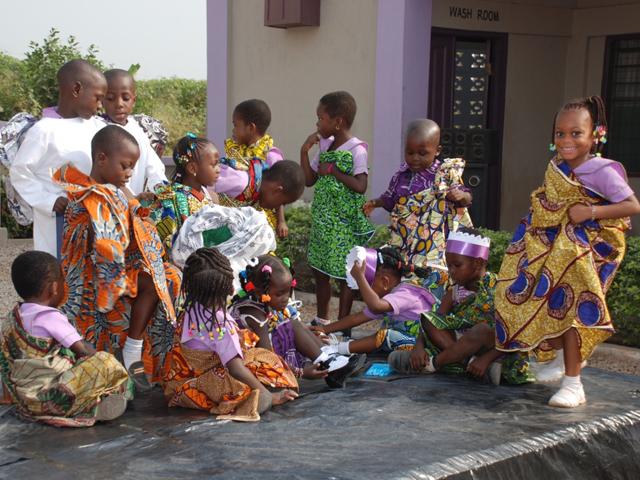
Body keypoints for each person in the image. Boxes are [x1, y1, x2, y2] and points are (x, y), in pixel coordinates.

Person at [494, 96, 640, 407]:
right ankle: (564, 360)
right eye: (560, 133)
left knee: (574, 309)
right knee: (546, 304)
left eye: (576, 133)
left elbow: (632, 206)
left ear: (595, 135)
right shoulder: (557, 167)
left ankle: (574, 384)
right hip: (555, 249)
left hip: (586, 251)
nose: (566, 140)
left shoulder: (602, 170)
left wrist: (590, 212)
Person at [55, 125, 181, 389]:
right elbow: (104, 242)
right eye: (125, 166)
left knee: (168, 275)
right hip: (92, 276)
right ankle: (132, 351)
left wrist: (137, 206)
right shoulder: (90, 194)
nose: (130, 173)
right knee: (158, 278)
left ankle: (139, 352)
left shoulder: (114, 189)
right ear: (102, 158)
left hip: (114, 268)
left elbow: (136, 217)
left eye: (132, 167)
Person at [163, 248, 298, 421]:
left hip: (178, 386)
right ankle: (255, 400)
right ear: (229, 286)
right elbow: (235, 368)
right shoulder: (222, 324)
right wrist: (269, 395)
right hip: (206, 385)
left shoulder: (189, 308)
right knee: (266, 361)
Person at [0, 251, 129, 427]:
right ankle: (97, 404)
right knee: (106, 363)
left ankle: (98, 403)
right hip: (54, 398)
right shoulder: (50, 316)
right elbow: (82, 350)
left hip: (24, 401)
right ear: (54, 288)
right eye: (63, 281)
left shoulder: (13, 318)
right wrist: (97, 358)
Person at [388, 229, 532, 385]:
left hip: (492, 347)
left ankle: (433, 364)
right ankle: (465, 364)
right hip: (458, 346)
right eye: (449, 265)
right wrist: (419, 346)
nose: (451, 271)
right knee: (429, 319)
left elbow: (515, 333)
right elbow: (435, 321)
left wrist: (486, 358)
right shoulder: (454, 292)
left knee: (481, 330)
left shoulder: (499, 288)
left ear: (478, 263)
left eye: (457, 265)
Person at [9, 59, 107, 256]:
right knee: (57, 267)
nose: (100, 106)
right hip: (58, 218)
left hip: (93, 216)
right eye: (97, 98)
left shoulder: (98, 127)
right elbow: (20, 172)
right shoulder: (44, 130)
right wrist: (48, 201)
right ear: (76, 89)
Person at [229, 254, 363, 388]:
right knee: (292, 326)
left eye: (288, 292)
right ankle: (329, 365)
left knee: (298, 326)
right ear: (259, 292)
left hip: (267, 356)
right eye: (279, 294)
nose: (286, 298)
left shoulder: (262, 301)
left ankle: (331, 359)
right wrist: (301, 372)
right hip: (258, 367)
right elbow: (267, 359)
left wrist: (307, 335)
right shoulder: (254, 314)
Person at [300, 91, 374, 326]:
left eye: (321, 118)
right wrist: (304, 151)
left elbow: (361, 186)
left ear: (338, 121)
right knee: (320, 271)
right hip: (324, 222)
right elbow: (309, 180)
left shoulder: (357, 149)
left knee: (345, 274)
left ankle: (343, 324)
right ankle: (322, 319)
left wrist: (334, 171)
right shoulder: (326, 147)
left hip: (343, 225)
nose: (317, 123)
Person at [363, 119, 472, 270]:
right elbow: (390, 200)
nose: (415, 158)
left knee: (428, 274)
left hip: (432, 242)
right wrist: (375, 203)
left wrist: (461, 195)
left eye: (422, 153)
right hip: (404, 239)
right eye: (410, 152)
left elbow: (466, 196)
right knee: (403, 271)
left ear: (437, 150)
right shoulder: (400, 175)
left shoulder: (444, 174)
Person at [311, 247, 436, 357]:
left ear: (385, 282)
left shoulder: (406, 293)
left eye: (367, 287)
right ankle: (340, 347)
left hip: (422, 347)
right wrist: (323, 329)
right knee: (381, 336)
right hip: (404, 343)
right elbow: (356, 318)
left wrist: (360, 277)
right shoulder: (389, 297)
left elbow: (375, 306)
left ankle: (336, 349)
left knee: (385, 335)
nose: (364, 293)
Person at [216, 99, 288, 236]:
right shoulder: (235, 151)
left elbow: (279, 191)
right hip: (235, 218)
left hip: (259, 222)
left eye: (236, 125)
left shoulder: (270, 155)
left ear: (250, 128)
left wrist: (281, 221)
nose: (233, 130)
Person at [102, 68, 168, 196]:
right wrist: (131, 199)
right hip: (112, 201)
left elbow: (153, 167)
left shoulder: (137, 129)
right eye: (110, 98)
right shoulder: (99, 129)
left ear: (134, 100)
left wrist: (161, 189)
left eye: (125, 98)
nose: (119, 104)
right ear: (102, 100)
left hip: (135, 202)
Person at [151, 134, 220, 254]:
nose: (218, 169)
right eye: (214, 164)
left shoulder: (212, 197)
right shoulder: (170, 198)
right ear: (192, 168)